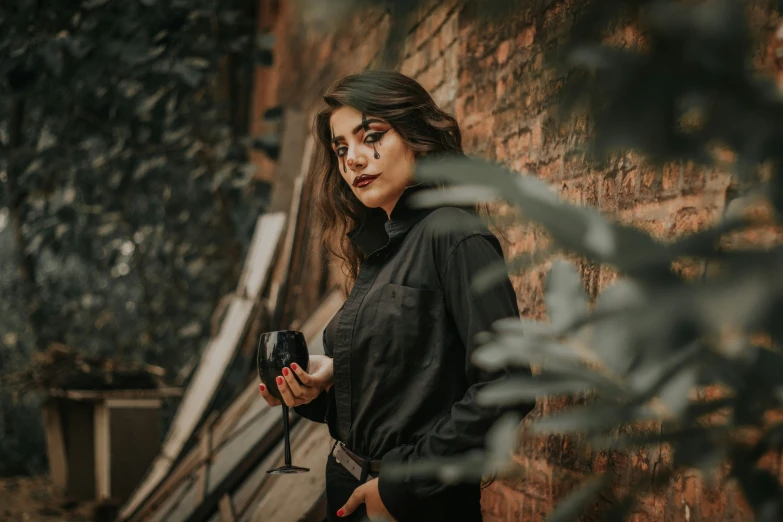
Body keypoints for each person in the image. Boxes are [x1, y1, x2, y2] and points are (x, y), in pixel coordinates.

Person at [258, 70, 533, 522]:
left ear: (417, 137)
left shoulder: (454, 236)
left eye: (372, 137)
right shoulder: (381, 248)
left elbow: (508, 386)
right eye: (342, 148)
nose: (354, 160)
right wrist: (309, 391)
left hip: (414, 505)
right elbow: (394, 398)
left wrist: (401, 484)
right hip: (349, 490)